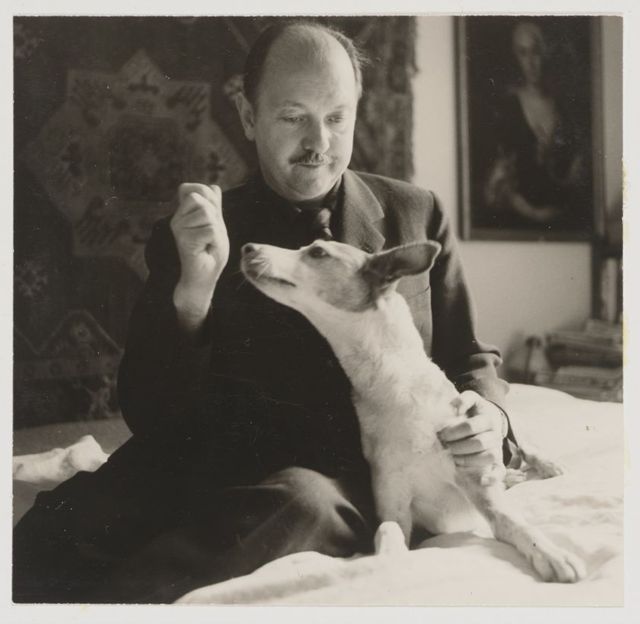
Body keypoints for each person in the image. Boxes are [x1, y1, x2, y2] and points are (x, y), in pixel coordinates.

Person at [13, 21, 515, 604]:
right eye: (293, 117)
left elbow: (470, 357)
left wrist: (492, 417)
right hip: (215, 462)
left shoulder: (416, 215)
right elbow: (150, 415)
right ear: (249, 118)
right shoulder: (196, 232)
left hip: (358, 479)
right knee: (54, 534)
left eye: (337, 117)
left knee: (295, 504)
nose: (319, 142)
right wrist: (194, 292)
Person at [484, 21, 587, 229]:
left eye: (536, 51)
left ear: (545, 53)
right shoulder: (507, 108)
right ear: (515, 58)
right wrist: (535, 214)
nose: (531, 62)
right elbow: (497, 182)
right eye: (523, 53)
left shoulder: (563, 108)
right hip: (519, 224)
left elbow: (576, 175)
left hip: (563, 224)